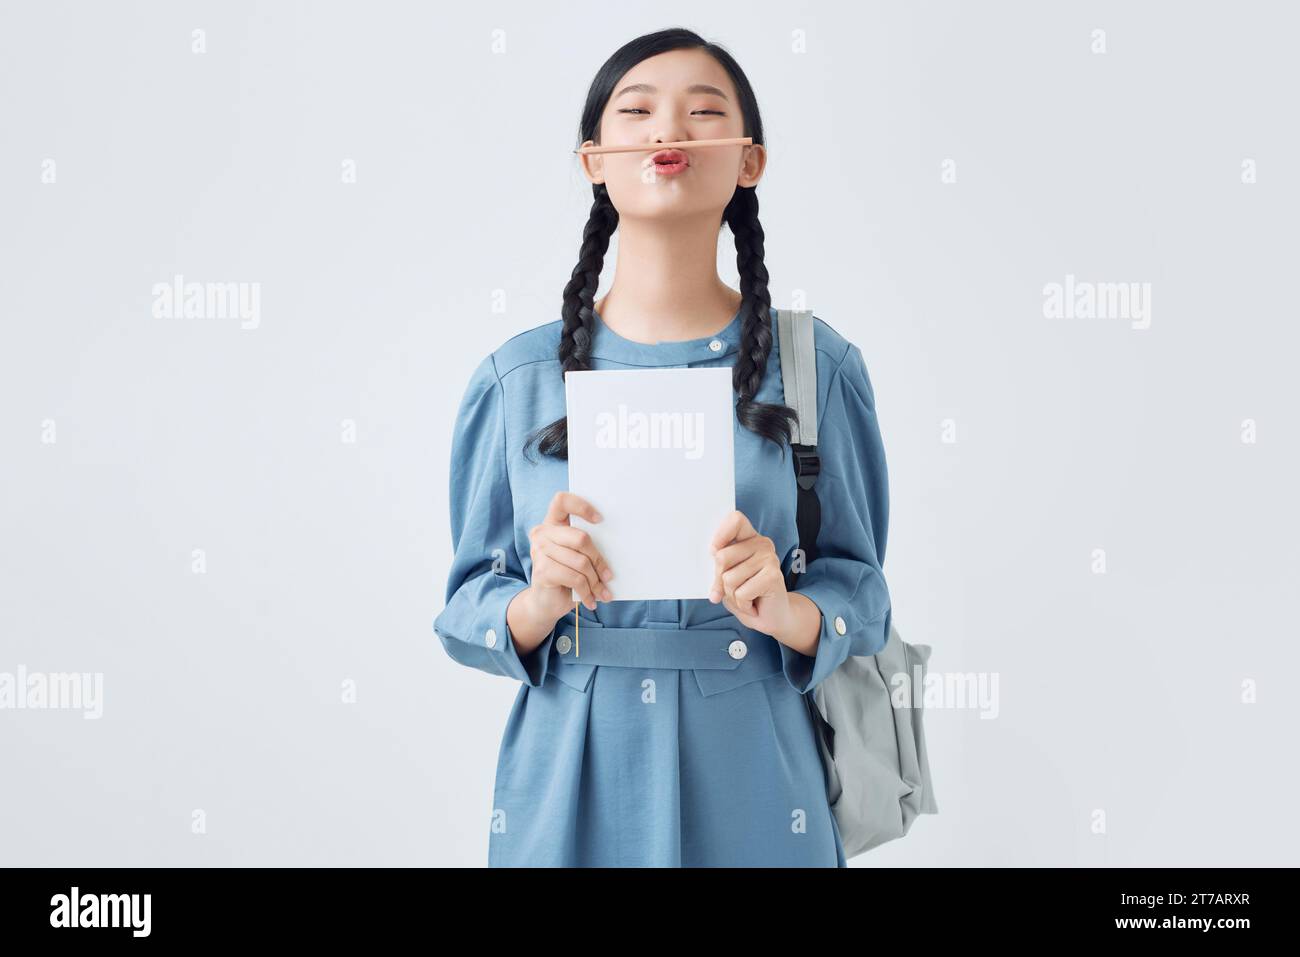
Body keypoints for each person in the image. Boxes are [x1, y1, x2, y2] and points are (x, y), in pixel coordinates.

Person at [433, 27, 892, 867]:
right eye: (636, 110)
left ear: (749, 159)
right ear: (593, 160)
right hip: (571, 762)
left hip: (758, 767)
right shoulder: (517, 378)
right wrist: (537, 600)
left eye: (702, 110)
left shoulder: (816, 367)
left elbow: (863, 592)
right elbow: (464, 606)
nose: (665, 130)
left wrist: (790, 610)